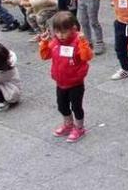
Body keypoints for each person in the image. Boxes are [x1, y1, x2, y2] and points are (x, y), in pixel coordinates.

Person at [39, 11, 94, 143]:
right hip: (60, 82)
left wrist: (83, 42)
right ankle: (68, 124)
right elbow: (45, 56)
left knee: (76, 107)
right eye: (57, 32)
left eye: (64, 32)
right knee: (62, 106)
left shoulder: (77, 42)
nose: (60, 35)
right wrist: (44, 43)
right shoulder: (56, 42)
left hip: (75, 83)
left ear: (73, 29)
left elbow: (87, 57)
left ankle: (79, 128)